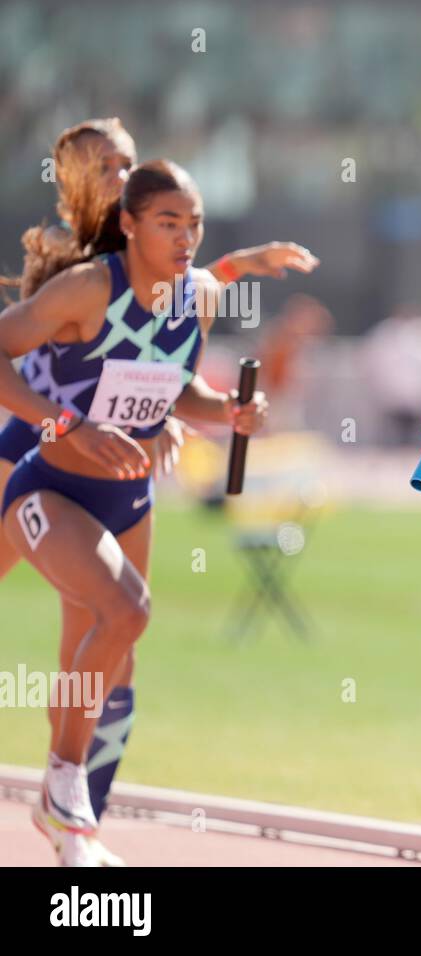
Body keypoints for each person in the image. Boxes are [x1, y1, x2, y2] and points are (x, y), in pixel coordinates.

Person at [0, 119, 314, 865]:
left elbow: (173, 376)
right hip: (33, 457)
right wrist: (62, 428)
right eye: (109, 167)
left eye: (130, 163)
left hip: (122, 483)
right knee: (115, 616)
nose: (122, 175)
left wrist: (212, 413)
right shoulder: (80, 272)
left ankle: (75, 826)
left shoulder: (193, 290)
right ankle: (64, 792)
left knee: (112, 649)